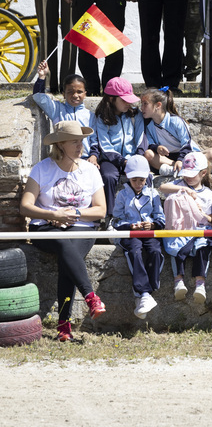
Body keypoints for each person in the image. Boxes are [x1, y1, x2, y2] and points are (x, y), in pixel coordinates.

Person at [20, 120, 106, 342]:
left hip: (81, 226)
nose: (81, 146)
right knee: (63, 244)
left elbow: (100, 210)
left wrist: (74, 214)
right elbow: (25, 206)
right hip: (46, 226)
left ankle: (64, 325)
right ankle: (90, 297)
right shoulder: (41, 168)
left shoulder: (90, 170)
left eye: (82, 141)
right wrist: (54, 215)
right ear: (60, 145)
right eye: (75, 142)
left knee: (69, 256)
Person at [111, 154, 165, 319]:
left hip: (148, 232)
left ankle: (149, 289)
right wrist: (130, 225)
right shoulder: (122, 195)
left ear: (147, 177)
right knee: (135, 251)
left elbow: (161, 217)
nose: (138, 184)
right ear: (128, 178)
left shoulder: (153, 194)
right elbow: (116, 219)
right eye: (134, 180)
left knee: (155, 250)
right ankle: (143, 293)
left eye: (141, 180)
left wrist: (153, 224)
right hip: (130, 233)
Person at [159, 152, 212, 305]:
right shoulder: (180, 184)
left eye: (192, 174)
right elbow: (163, 186)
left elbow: (211, 218)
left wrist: (201, 212)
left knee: (203, 246)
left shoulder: (208, 194)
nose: (188, 177)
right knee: (174, 244)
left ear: (203, 173)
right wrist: (184, 191)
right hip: (179, 229)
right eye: (186, 174)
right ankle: (178, 281)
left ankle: (200, 283)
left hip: (199, 229)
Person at [88, 76, 143, 215]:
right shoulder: (101, 118)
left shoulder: (135, 114)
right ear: (111, 99)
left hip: (132, 157)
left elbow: (140, 137)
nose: (128, 103)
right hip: (111, 159)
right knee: (108, 175)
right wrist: (123, 161)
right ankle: (111, 216)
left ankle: (143, 214)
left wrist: (137, 159)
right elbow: (105, 146)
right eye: (124, 100)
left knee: (144, 175)